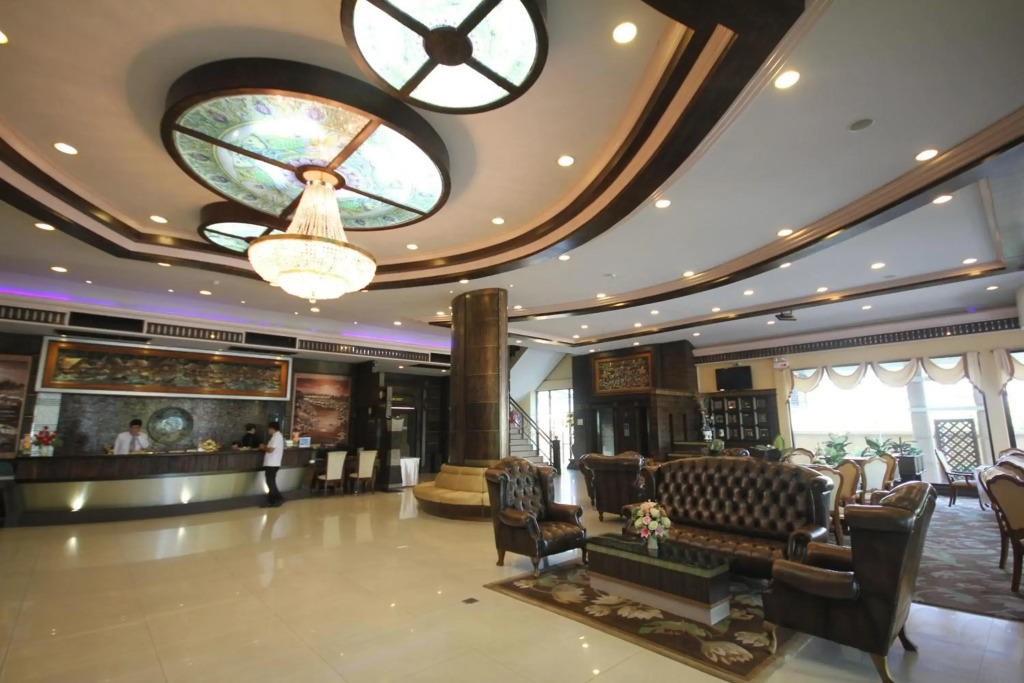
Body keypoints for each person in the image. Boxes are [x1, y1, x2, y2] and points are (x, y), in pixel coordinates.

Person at [258, 421, 284, 507]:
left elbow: (271, 449)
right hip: (273, 463)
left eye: (269, 429)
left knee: (270, 482)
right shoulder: (276, 436)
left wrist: (263, 447)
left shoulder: (277, 437)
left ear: (272, 428)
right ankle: (279, 498)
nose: (268, 430)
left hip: (272, 463)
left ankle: (272, 501)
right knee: (271, 482)